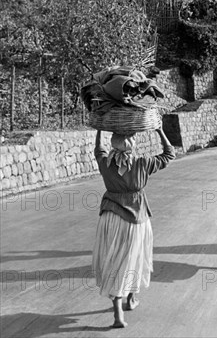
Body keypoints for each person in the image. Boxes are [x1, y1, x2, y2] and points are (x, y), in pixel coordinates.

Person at [92, 126, 175, 328]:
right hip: (136, 217)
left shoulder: (105, 163)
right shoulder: (142, 163)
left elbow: (98, 149)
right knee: (134, 257)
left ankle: (119, 312)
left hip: (111, 217)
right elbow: (169, 154)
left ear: (113, 143)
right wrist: (160, 131)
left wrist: (100, 129)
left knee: (113, 261)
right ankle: (130, 298)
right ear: (132, 145)